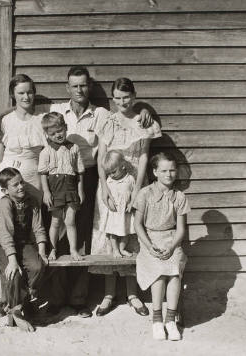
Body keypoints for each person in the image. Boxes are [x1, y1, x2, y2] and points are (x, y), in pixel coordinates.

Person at [0, 66, 154, 318]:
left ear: (89, 87)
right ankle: (55, 298)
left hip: (87, 178)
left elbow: (126, 114)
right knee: (58, 235)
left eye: (84, 85)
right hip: (55, 180)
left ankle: (78, 299)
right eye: (74, 85)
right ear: (67, 88)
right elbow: (22, 108)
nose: (79, 90)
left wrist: (145, 110)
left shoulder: (101, 113)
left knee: (83, 238)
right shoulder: (54, 110)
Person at [90, 77, 162, 317]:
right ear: (113, 98)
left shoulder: (143, 121)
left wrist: (138, 190)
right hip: (110, 185)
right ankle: (108, 293)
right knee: (110, 233)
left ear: (134, 96)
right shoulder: (108, 122)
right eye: (118, 98)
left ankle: (133, 293)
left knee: (131, 235)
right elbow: (101, 158)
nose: (122, 101)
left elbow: (143, 157)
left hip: (134, 184)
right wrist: (105, 188)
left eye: (127, 97)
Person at [0, 74, 46, 315]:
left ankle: (29, 296)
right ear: (13, 95)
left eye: (30, 92)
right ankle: (5, 297)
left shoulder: (42, 119)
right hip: (8, 178)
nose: (26, 96)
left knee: (28, 235)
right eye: (20, 93)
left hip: (33, 178)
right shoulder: (6, 122)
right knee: (6, 237)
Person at [133, 152, 190, 341]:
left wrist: (173, 247)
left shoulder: (179, 197)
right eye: (164, 170)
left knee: (174, 271)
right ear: (155, 172)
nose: (169, 174)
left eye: (172, 170)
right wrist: (149, 246)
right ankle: (157, 320)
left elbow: (181, 230)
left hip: (172, 240)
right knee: (158, 272)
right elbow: (138, 225)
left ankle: (170, 320)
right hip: (150, 240)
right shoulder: (145, 194)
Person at [0, 168, 48, 332]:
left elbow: (39, 228)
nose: (21, 186)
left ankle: (21, 301)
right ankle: (16, 312)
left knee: (37, 266)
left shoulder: (32, 201)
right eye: (15, 185)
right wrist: (13, 261)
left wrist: (42, 252)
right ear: (5, 190)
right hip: (1, 246)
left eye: (21, 182)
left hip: (22, 243)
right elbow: (5, 233)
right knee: (14, 272)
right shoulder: (5, 203)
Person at [38, 112, 85, 261]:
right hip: (55, 189)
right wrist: (46, 192)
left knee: (70, 221)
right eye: (52, 133)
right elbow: (43, 173)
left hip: (71, 188)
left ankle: (73, 250)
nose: (57, 135)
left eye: (60, 131)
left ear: (65, 127)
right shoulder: (46, 151)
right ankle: (52, 250)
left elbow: (79, 171)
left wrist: (80, 190)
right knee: (56, 221)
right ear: (46, 134)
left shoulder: (74, 148)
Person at [101, 150, 135, 258]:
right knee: (113, 233)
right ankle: (115, 250)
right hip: (114, 212)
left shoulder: (130, 179)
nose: (111, 175)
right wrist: (109, 204)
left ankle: (122, 248)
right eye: (109, 173)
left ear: (123, 166)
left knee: (127, 231)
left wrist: (131, 204)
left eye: (113, 171)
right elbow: (106, 196)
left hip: (126, 212)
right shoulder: (109, 180)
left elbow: (135, 192)